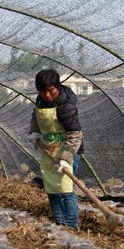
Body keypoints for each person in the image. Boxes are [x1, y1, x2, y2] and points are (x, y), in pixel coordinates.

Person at [28, 69, 84, 229]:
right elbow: (36, 115)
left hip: (67, 150)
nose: (47, 95)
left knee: (65, 189)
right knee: (52, 188)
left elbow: (75, 134)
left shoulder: (66, 106)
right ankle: (60, 222)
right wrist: (35, 132)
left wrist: (65, 159)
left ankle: (72, 225)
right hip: (49, 149)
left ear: (57, 87)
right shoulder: (40, 100)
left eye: (50, 90)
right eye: (42, 91)